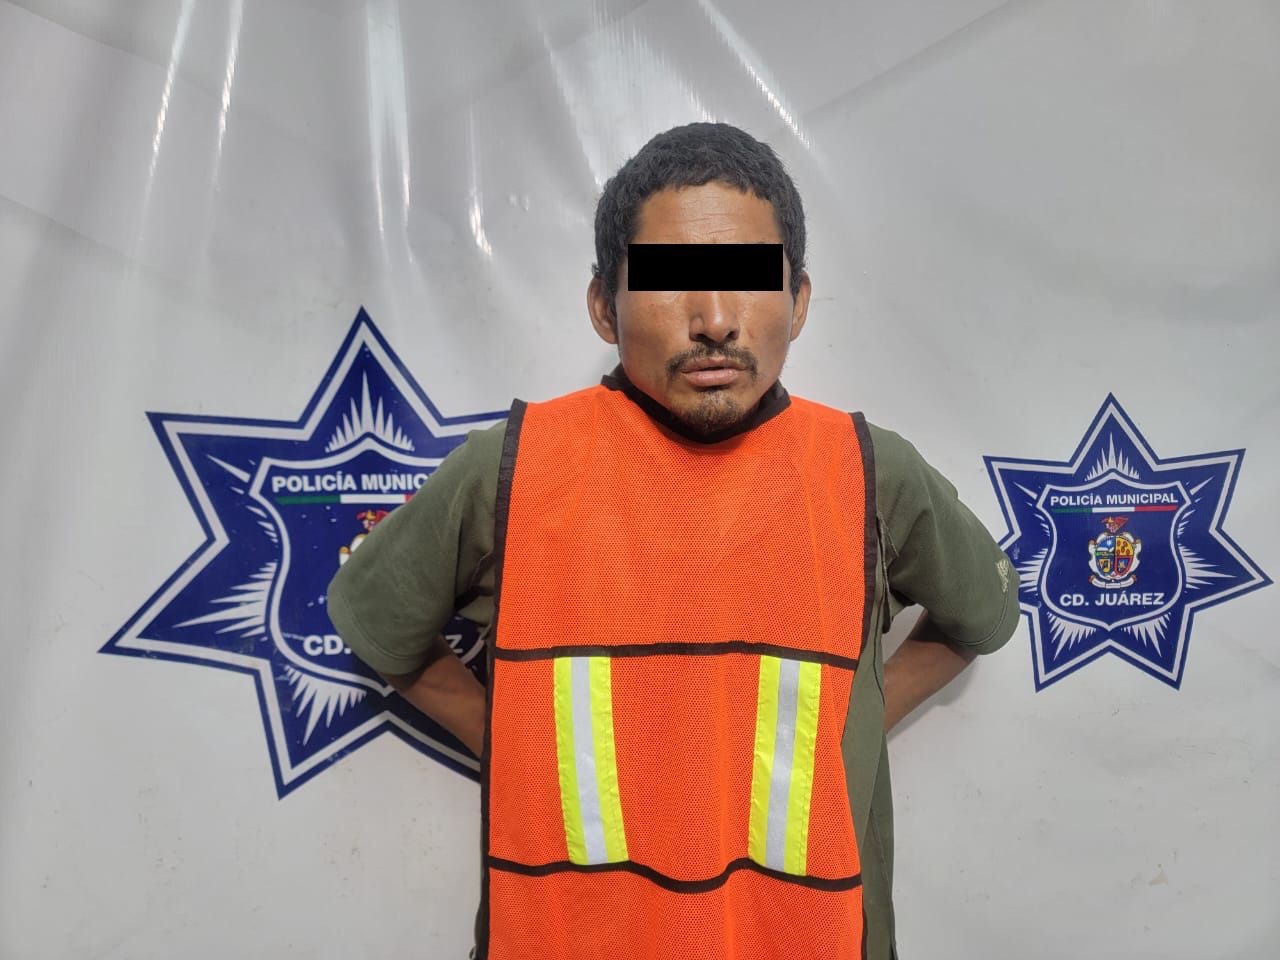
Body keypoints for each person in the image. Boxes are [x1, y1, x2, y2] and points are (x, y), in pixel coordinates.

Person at [327, 122, 1018, 960]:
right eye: (668, 278)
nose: (715, 319)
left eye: (750, 278)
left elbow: (981, 616)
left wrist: (854, 726)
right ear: (602, 305)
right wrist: (515, 749)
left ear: (799, 300)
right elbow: (379, 623)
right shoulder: (511, 469)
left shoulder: (872, 472)